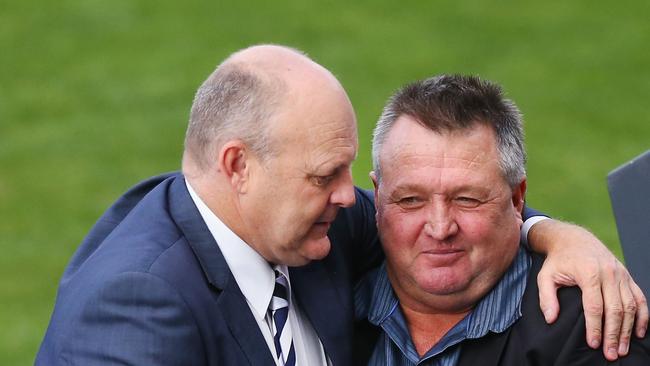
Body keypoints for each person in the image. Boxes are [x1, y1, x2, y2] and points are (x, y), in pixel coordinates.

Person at [36, 45, 646, 365]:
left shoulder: (300, 225)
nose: (346, 196)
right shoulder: (134, 308)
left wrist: (556, 234)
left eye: (352, 174)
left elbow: (455, 216)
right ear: (237, 167)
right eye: (325, 175)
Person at [358, 74, 650, 365]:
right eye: (411, 200)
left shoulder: (591, 324)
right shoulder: (334, 283)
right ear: (378, 197)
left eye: (466, 199)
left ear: (516, 199)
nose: (440, 227)